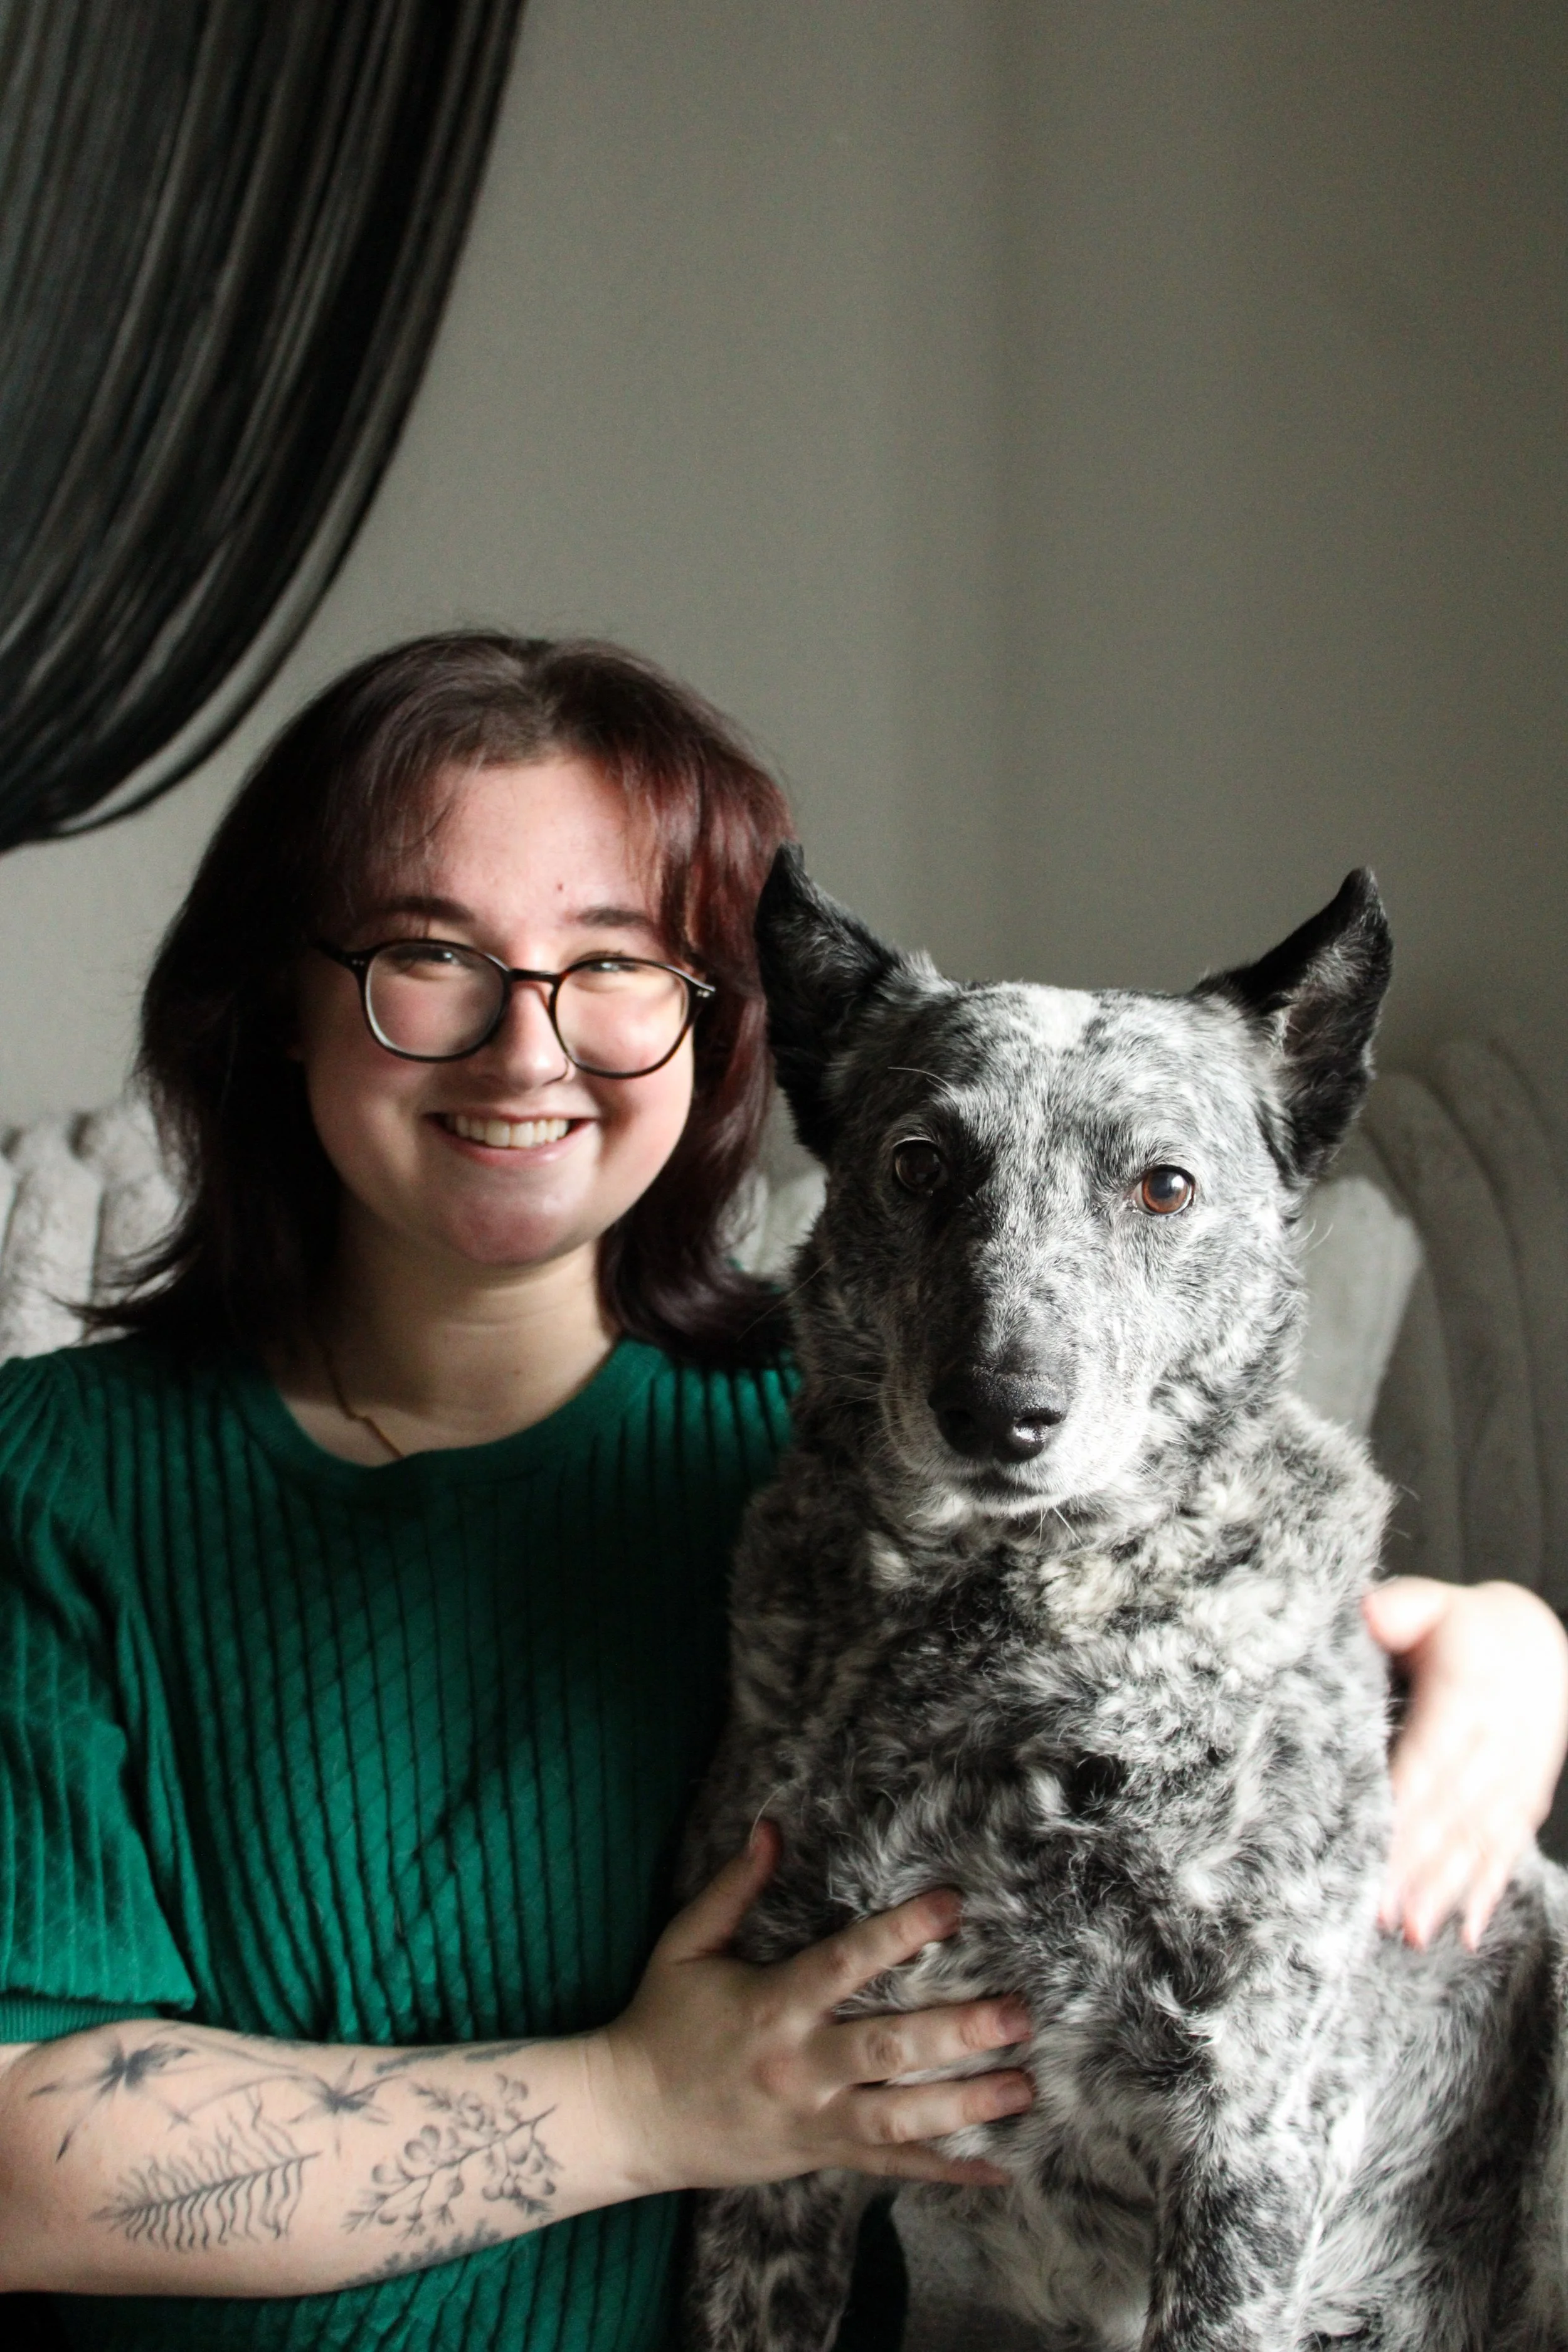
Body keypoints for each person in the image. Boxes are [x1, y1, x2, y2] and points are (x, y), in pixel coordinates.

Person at [0, 633, 1561, 2352]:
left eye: (612, 965)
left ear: (714, 1032)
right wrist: (645, 2107)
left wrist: (1499, 1642)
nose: (531, 1051)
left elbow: (1194, 1643)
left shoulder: (854, 1468)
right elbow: (20, 2160)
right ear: (274, 998)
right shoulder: (53, 1477)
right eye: (426, 955)